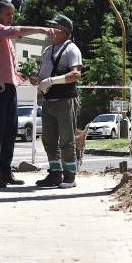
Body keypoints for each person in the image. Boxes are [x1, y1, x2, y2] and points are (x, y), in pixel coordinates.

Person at [0, 0, 55, 188]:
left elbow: (8, 66)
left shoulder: (5, 39)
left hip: (9, 87)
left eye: (12, 15)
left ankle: (6, 172)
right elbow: (17, 30)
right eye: (8, 14)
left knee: (11, 130)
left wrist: (26, 76)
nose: (11, 18)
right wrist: (41, 30)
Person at [31, 14, 82, 189]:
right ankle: (55, 173)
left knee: (67, 140)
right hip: (48, 101)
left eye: (55, 27)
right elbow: (42, 74)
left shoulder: (71, 49)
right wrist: (36, 78)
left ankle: (70, 176)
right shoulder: (47, 51)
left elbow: (75, 74)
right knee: (48, 140)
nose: (51, 31)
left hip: (65, 100)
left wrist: (52, 81)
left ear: (65, 31)